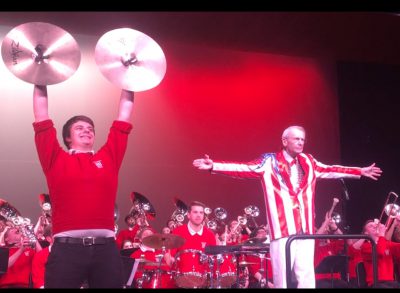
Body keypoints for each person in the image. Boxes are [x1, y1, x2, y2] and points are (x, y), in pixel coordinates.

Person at [192, 125, 382, 288]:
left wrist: (359, 171)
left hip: (305, 229)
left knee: (307, 277)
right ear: (285, 141)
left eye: (303, 139)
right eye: (296, 139)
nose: (301, 142)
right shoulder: (269, 161)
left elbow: (331, 169)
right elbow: (244, 169)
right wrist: (213, 166)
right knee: (282, 280)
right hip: (282, 229)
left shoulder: (309, 161)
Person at [32, 85, 134, 288]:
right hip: (66, 251)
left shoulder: (108, 158)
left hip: (105, 250)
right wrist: (39, 76)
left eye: (90, 129)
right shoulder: (55, 159)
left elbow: (124, 117)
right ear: (67, 137)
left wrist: (128, 80)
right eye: (79, 128)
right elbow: (41, 115)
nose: (87, 130)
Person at [165, 201, 217, 288]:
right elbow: (168, 255)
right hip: (181, 280)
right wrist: (169, 260)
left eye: (201, 213)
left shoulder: (210, 235)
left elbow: (213, 259)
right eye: (195, 212)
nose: (199, 215)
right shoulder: (178, 232)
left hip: (203, 281)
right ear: (188, 215)